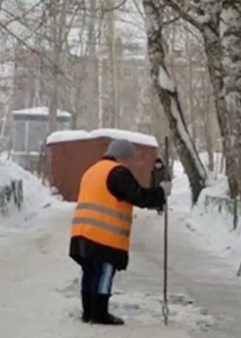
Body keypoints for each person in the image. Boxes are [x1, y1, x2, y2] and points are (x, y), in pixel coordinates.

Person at [69, 139, 172, 325]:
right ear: (122, 157)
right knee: (105, 272)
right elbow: (138, 196)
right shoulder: (117, 172)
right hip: (104, 235)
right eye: (129, 160)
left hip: (81, 232)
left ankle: (88, 312)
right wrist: (160, 193)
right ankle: (99, 314)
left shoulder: (92, 170)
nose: (130, 164)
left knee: (90, 272)